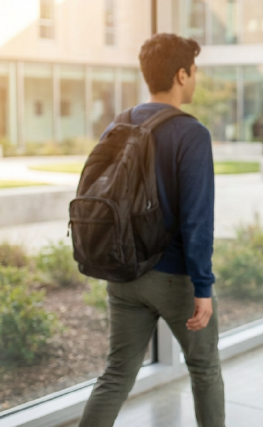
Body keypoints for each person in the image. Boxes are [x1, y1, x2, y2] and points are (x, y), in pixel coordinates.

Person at [79, 33, 225, 426]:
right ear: (181, 74)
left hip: (124, 273)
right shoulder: (191, 133)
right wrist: (203, 287)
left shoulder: (120, 123)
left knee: (115, 374)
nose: (195, 79)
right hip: (174, 277)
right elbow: (197, 219)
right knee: (204, 370)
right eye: (194, 72)